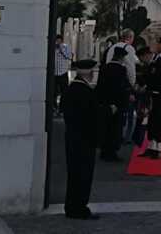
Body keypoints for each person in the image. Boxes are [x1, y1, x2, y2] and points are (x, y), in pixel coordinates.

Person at [60, 59, 100, 220]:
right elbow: (91, 117)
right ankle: (79, 208)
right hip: (85, 139)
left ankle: (71, 206)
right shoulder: (85, 91)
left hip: (72, 137)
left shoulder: (70, 90)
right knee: (83, 175)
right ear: (89, 73)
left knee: (74, 174)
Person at [96, 44, 131, 161]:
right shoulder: (121, 70)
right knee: (115, 129)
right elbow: (120, 88)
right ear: (121, 58)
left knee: (105, 127)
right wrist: (121, 102)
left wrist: (102, 101)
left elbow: (101, 86)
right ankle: (112, 152)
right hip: (117, 103)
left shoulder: (104, 68)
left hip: (105, 102)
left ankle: (104, 150)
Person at [141, 36, 161, 159]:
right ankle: (152, 147)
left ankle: (158, 148)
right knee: (153, 122)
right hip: (157, 94)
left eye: (157, 43)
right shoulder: (159, 58)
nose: (155, 46)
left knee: (160, 122)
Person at [54, 34, 73, 116]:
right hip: (54, 74)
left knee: (64, 92)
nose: (57, 42)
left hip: (63, 73)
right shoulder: (52, 47)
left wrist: (61, 48)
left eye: (59, 40)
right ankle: (54, 108)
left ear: (61, 40)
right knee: (53, 92)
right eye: (56, 40)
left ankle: (62, 109)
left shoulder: (66, 47)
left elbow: (69, 56)